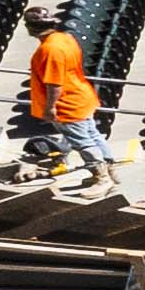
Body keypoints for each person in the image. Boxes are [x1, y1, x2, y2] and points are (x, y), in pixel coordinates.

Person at [21, 19, 111, 185]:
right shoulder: (65, 37)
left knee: (83, 142)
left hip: (67, 105)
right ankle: (110, 169)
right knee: (93, 135)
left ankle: (102, 178)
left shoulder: (49, 49)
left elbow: (54, 84)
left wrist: (50, 108)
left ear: (32, 27)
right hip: (81, 96)